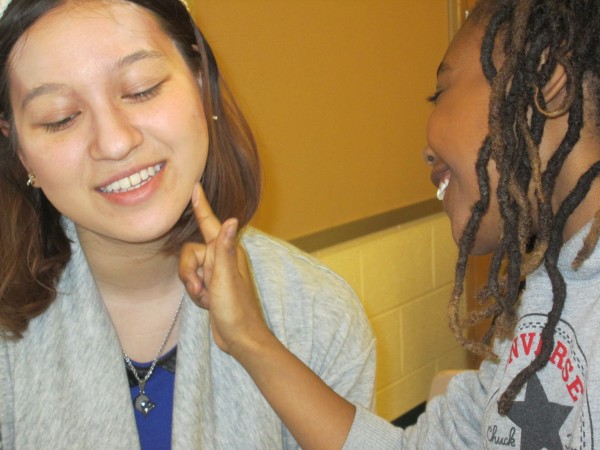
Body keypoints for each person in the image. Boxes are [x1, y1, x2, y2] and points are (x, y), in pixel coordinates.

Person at [180, 0, 600, 448]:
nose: (426, 149)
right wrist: (249, 337)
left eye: (439, 93)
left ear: (544, 76)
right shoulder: (542, 298)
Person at [0, 0, 376, 448]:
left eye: (141, 89)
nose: (116, 142)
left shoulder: (315, 314)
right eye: (60, 118)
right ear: (19, 149)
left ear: (200, 81)